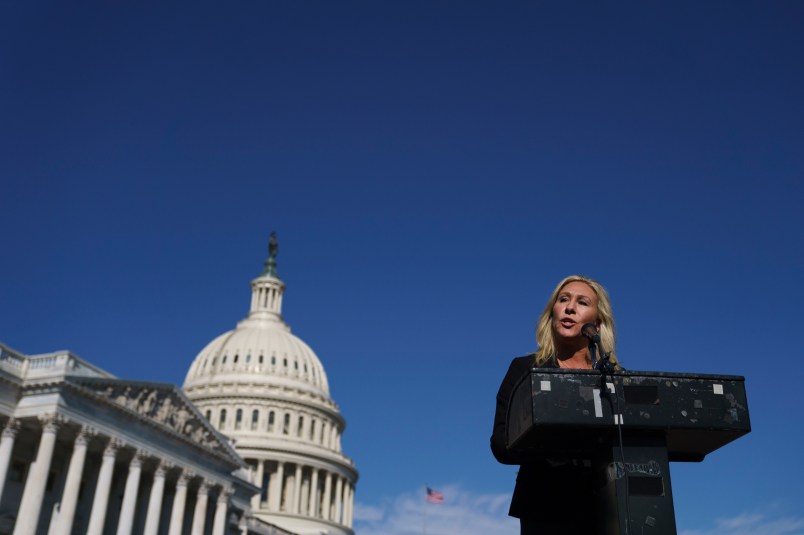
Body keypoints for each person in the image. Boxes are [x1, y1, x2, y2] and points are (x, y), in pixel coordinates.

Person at [490, 275, 621, 534]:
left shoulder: (615, 378)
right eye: (563, 300)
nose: (570, 307)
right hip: (545, 507)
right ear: (553, 312)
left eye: (582, 302)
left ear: (597, 322)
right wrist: (552, 443)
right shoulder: (525, 369)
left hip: (609, 506)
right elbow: (500, 443)